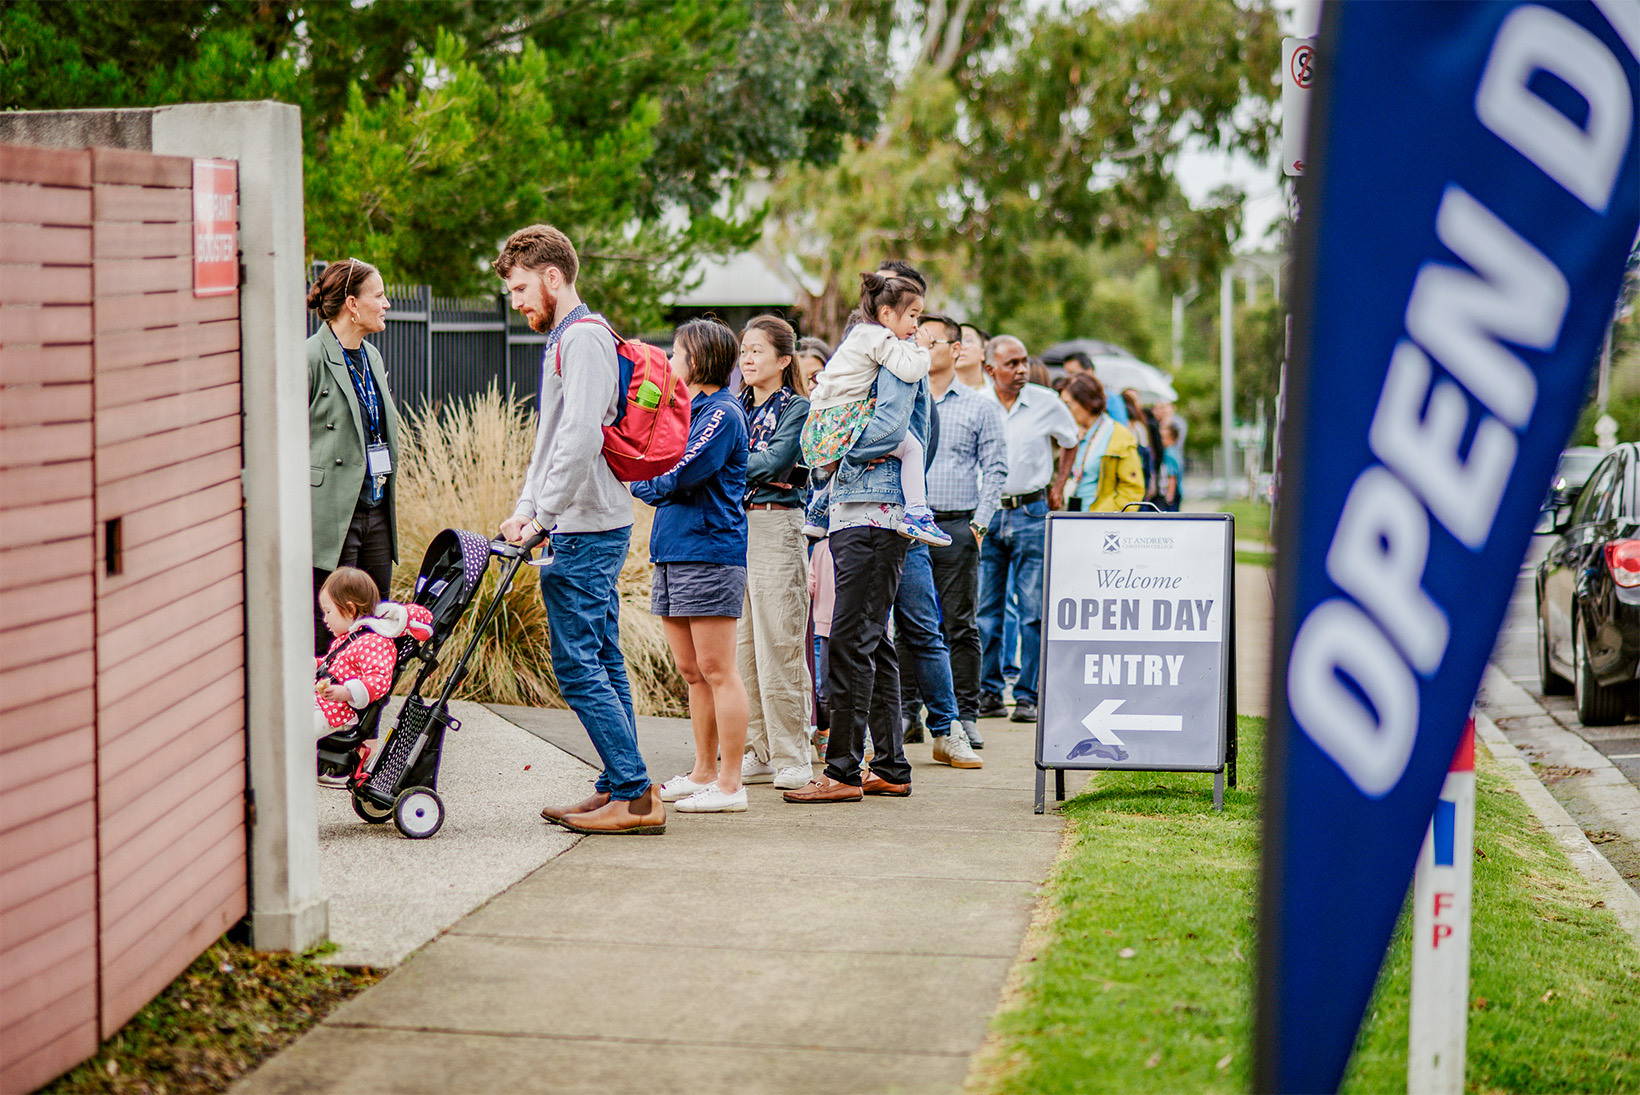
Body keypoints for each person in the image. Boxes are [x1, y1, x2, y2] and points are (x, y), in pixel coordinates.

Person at [493, 224, 664, 836]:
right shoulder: (567, 337)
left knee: (576, 665)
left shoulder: (584, 339)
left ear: (553, 277)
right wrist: (527, 507)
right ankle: (618, 783)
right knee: (602, 658)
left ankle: (637, 798)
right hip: (582, 520)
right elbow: (553, 443)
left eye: (520, 288)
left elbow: (582, 437)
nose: (516, 302)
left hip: (587, 527)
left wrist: (541, 517)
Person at [784, 290, 936, 804]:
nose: (912, 326)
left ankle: (842, 772)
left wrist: (838, 452)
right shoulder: (887, 356)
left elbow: (901, 430)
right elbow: (917, 436)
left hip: (873, 516)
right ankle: (890, 765)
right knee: (875, 644)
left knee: (847, 644)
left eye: (914, 316)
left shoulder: (896, 357)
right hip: (863, 514)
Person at [632, 320, 754, 814]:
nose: (668, 360)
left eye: (676, 353)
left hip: (709, 552)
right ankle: (703, 770)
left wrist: (650, 479)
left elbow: (678, 474)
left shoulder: (722, 414)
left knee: (718, 669)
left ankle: (730, 783)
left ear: (699, 359)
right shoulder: (684, 410)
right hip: (672, 551)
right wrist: (651, 477)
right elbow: (647, 468)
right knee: (692, 670)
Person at [900, 311, 1003, 761]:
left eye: (933, 342)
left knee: (960, 624)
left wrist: (979, 525)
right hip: (909, 524)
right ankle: (907, 712)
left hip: (957, 524)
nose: (923, 349)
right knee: (908, 624)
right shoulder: (906, 397)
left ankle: (964, 715)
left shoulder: (980, 405)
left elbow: (995, 469)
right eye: (917, 341)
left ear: (956, 350)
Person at [800, 273, 950, 548]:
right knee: (911, 448)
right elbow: (909, 370)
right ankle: (917, 512)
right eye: (913, 316)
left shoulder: (859, 334)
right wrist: (922, 350)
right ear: (887, 313)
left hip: (823, 422)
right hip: (841, 419)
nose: (916, 325)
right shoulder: (880, 338)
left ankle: (818, 513)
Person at [977, 335, 1078, 725]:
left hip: (1032, 511)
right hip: (988, 513)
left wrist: (1059, 484)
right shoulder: (978, 402)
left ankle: (1027, 696)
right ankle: (988, 692)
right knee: (986, 609)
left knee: (1033, 610)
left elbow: (1070, 441)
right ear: (990, 369)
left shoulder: (1046, 402)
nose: (1021, 369)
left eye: (1023, 362)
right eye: (1011, 364)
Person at [734, 315, 815, 792]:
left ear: (784, 360)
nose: (747, 358)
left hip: (776, 525)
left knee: (779, 645)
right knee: (742, 646)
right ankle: (757, 751)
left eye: (757, 350)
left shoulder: (797, 408)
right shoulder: (734, 406)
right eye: (744, 349)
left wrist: (724, 463)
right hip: (734, 527)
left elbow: (776, 462)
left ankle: (793, 755)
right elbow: (754, 465)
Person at [307, 258, 401, 657]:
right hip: (333, 517)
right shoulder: (309, 358)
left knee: (374, 628)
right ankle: (327, 715)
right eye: (378, 295)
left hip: (376, 511)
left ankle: (368, 720)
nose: (386, 304)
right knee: (332, 634)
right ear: (351, 303)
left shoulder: (372, 357)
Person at [313, 567, 432, 748]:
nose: (325, 619)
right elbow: (332, 665)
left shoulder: (374, 642)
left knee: (297, 730)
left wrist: (347, 692)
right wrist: (316, 663)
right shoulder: (349, 637)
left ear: (350, 609)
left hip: (336, 711)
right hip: (322, 702)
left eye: (328, 612)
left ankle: (289, 769)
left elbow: (379, 680)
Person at [1057, 374, 1144, 512]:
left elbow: (1132, 489)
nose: (1064, 412)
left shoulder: (1119, 435)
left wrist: (1105, 517)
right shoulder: (1071, 433)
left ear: (1087, 403)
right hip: (1070, 518)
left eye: (1068, 405)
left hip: (1099, 523)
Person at [956, 322, 990, 391]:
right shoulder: (934, 393)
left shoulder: (999, 389)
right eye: (955, 341)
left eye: (968, 341)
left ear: (982, 353)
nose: (961, 347)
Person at [1157, 420, 1183, 511]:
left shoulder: (1168, 453)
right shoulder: (1175, 451)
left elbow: (1172, 476)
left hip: (1172, 493)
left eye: (1163, 437)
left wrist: (1169, 496)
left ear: (1172, 439)